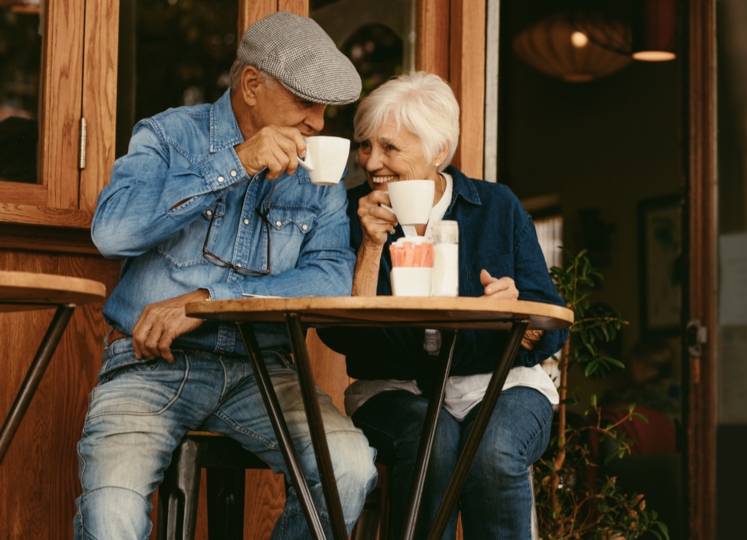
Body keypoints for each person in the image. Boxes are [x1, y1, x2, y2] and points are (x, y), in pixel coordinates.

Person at [75, 12, 377, 540]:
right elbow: (111, 233)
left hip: (266, 372)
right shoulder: (168, 135)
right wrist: (236, 161)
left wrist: (208, 298)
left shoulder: (320, 173)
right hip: (149, 369)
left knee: (350, 470)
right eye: (306, 102)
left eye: (324, 108)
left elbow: (331, 276)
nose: (317, 122)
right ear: (252, 84)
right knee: (111, 523)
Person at [318, 71, 569, 540]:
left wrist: (514, 309)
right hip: (394, 389)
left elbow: (549, 319)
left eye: (390, 147)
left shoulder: (496, 207)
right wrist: (371, 247)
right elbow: (340, 333)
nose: (373, 162)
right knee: (432, 444)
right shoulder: (349, 212)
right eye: (365, 146)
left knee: (492, 452)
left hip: (501, 385)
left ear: (438, 150)